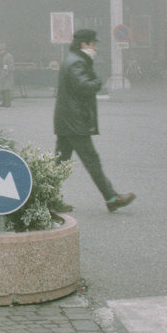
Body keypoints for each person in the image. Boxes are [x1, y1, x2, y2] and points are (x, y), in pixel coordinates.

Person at [53, 29, 135, 212]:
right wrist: (98, 82)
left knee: (60, 163)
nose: (96, 48)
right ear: (85, 45)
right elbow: (84, 86)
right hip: (75, 122)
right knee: (91, 160)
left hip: (68, 120)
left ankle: (43, 199)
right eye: (93, 44)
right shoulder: (77, 63)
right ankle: (111, 197)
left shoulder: (74, 60)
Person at [0, 42, 15, 108]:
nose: (1, 51)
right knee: (2, 89)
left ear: (5, 49)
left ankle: (7, 103)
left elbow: (9, 66)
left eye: (2, 50)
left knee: (7, 90)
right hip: (0, 74)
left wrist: (6, 72)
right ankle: (4, 102)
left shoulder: (9, 56)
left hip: (7, 75)